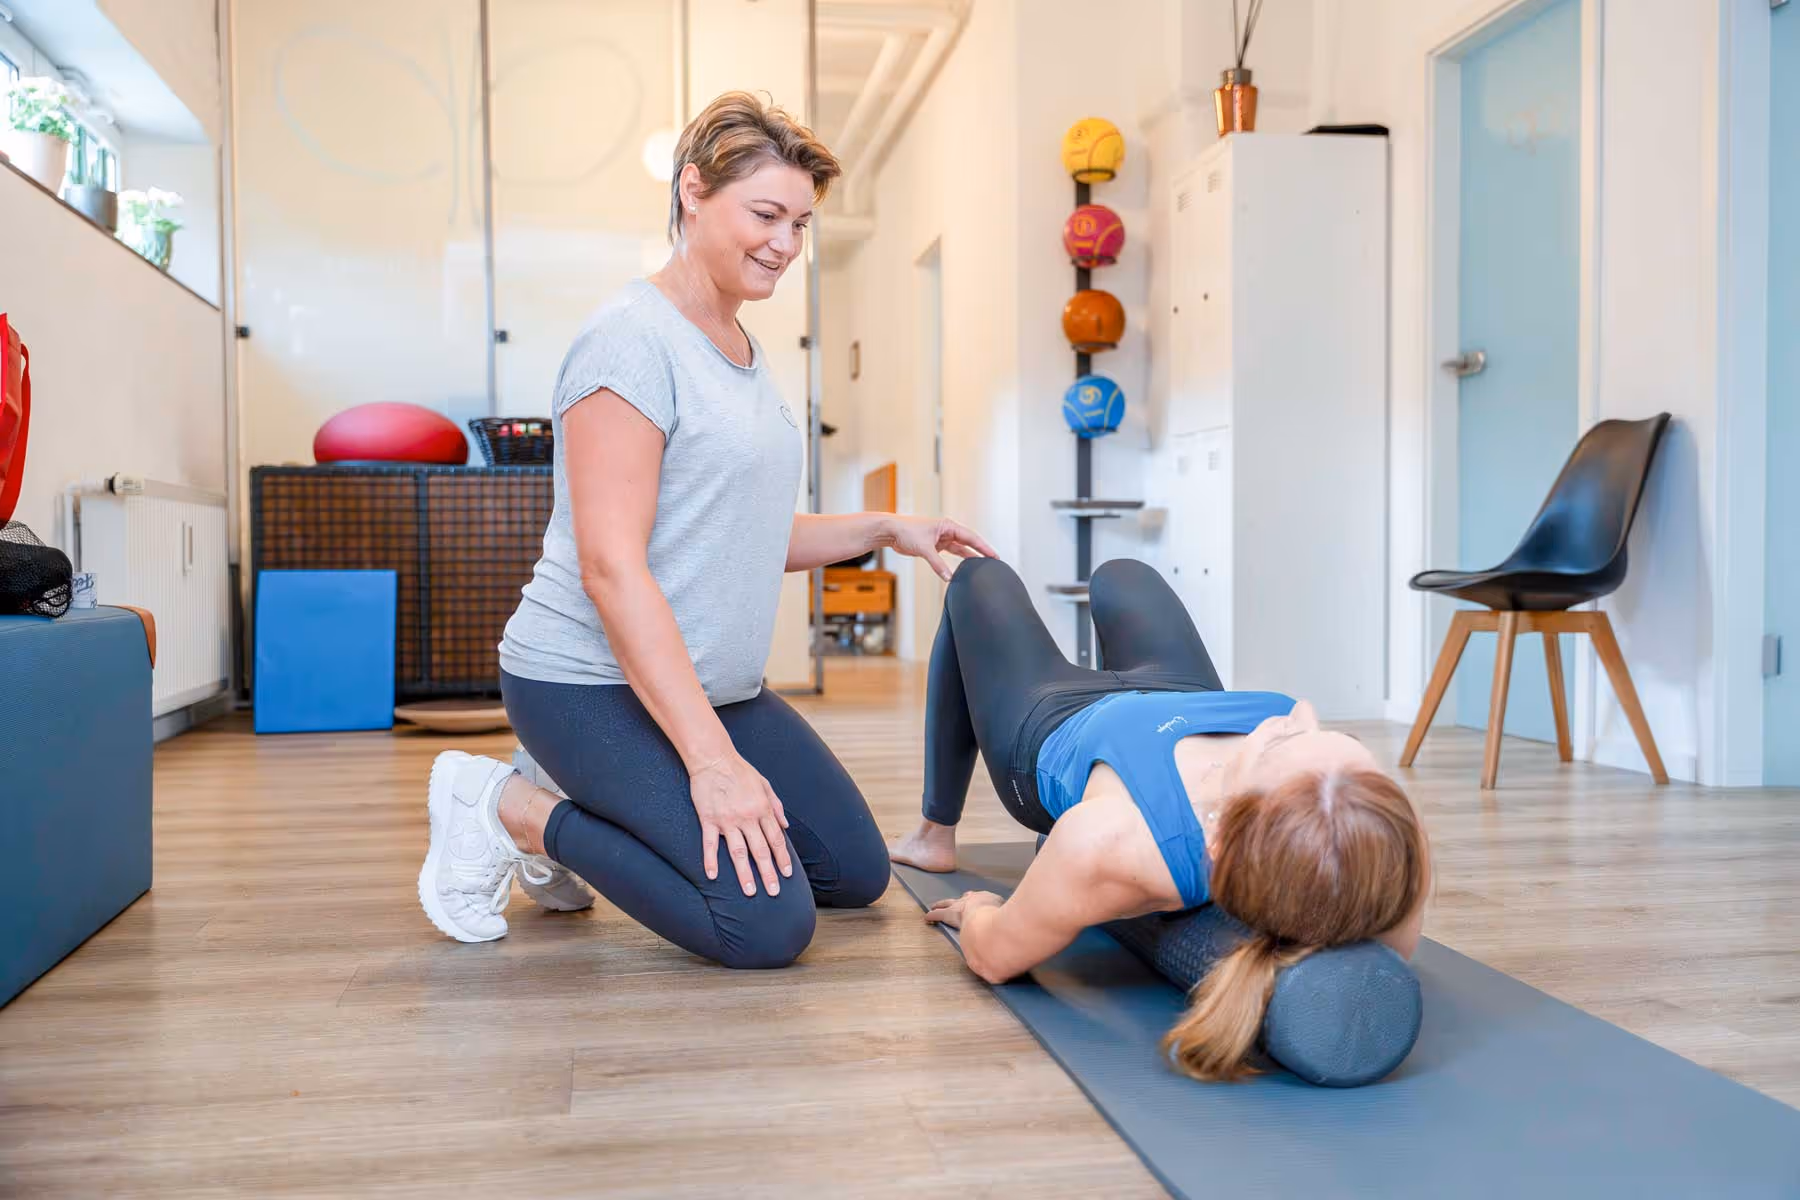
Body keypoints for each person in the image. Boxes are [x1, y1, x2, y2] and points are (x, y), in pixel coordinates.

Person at [417, 92, 996, 967]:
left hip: (712, 683)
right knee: (764, 925)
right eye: (766, 214)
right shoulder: (629, 345)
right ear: (693, 191)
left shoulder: (742, 346)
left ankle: (584, 793)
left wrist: (888, 527)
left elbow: (744, 532)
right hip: (587, 683)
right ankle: (513, 810)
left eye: (800, 224)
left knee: (851, 871)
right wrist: (711, 763)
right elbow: (613, 570)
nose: (785, 244)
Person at [889, 556, 1430, 1081]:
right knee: (1124, 574)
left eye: (1282, 740)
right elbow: (1395, 936)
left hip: (1054, 719)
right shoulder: (1381, 835)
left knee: (977, 578)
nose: (1302, 714)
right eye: (1322, 736)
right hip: (1186, 695)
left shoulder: (1116, 843)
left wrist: (981, 911)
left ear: (1219, 836)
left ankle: (934, 832)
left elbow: (995, 958)